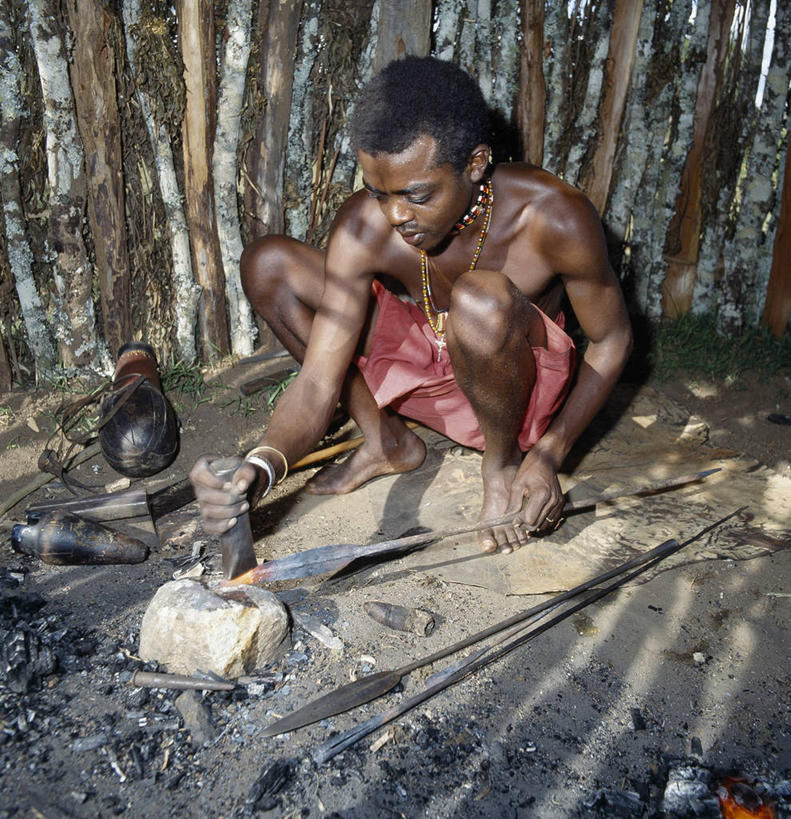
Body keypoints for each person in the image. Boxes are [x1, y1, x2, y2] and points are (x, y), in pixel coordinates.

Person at [191, 56, 632, 555]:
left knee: (478, 300)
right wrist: (264, 465)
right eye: (378, 192)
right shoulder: (368, 223)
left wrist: (550, 453)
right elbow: (317, 380)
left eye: (416, 195)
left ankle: (502, 466)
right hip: (434, 367)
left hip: (516, 389)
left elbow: (612, 338)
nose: (395, 214)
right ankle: (386, 442)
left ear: (475, 163)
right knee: (269, 263)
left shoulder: (553, 215)